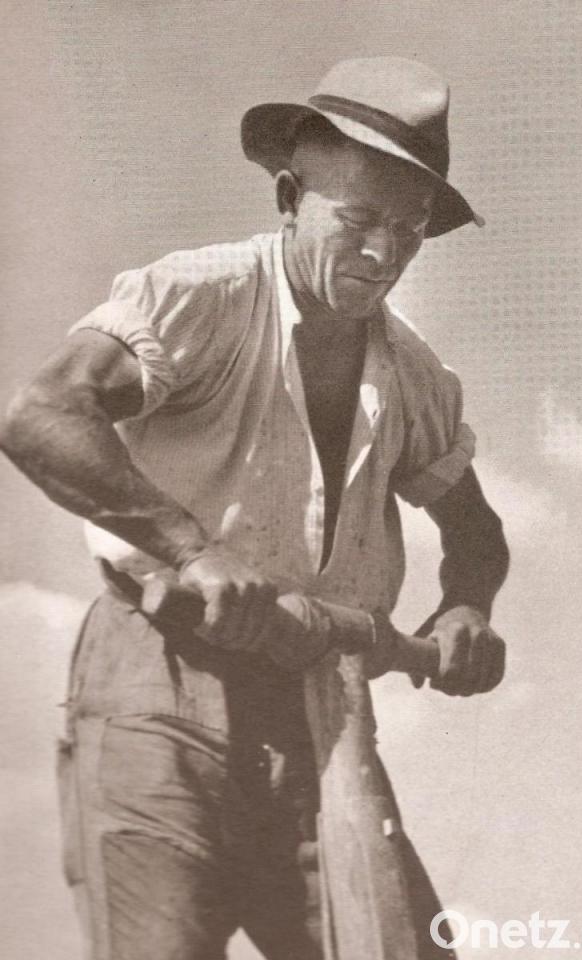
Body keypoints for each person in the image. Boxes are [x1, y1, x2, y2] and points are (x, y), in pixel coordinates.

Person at [1, 57, 509, 960]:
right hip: (158, 682)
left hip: (321, 710)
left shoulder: (416, 376)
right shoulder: (205, 297)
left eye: (409, 230)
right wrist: (190, 550)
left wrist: (468, 605)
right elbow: (42, 413)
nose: (383, 254)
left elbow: (476, 530)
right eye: (357, 220)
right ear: (288, 198)